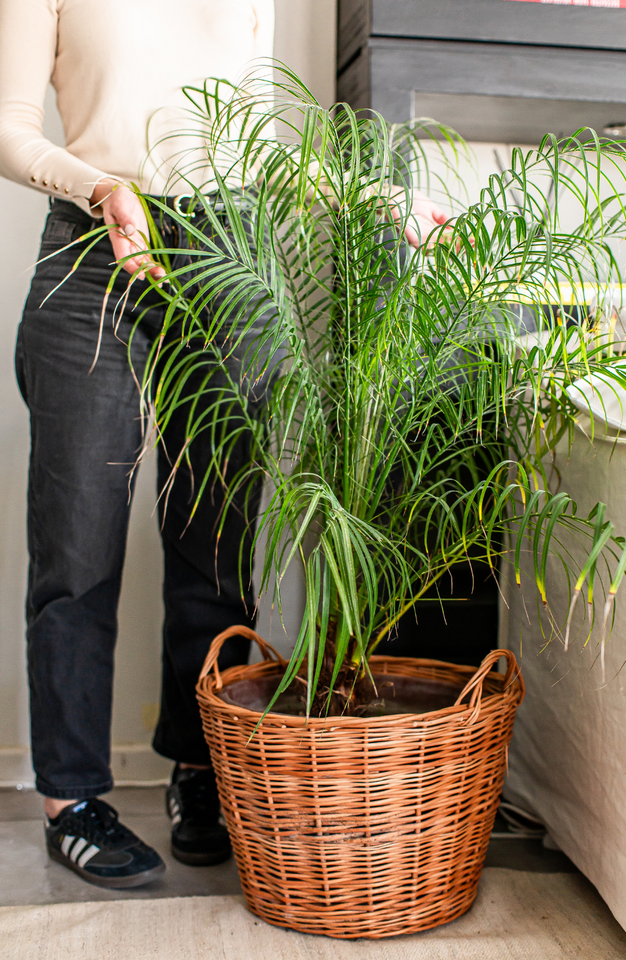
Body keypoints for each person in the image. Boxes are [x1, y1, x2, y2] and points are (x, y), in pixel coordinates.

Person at [0, 0, 449, 890]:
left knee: (217, 542)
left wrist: (376, 194)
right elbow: (9, 128)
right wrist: (99, 187)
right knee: (76, 544)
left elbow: (249, 148)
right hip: (94, 254)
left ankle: (201, 770)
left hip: (229, 255)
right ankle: (73, 796)